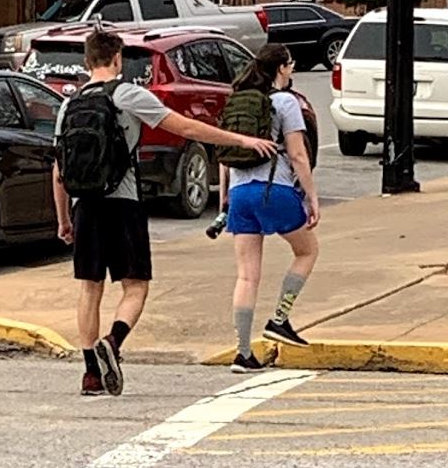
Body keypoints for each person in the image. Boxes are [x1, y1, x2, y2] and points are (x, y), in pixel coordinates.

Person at [53, 30, 277, 397]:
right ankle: (114, 339)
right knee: (135, 284)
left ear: (87, 62)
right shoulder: (127, 94)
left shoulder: (69, 105)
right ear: (117, 59)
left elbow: (59, 169)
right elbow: (185, 127)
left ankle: (91, 373)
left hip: (85, 207)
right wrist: (241, 139)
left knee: (89, 288)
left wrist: (63, 218)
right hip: (123, 203)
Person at [218, 43, 320, 374]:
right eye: (290, 65)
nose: (291, 70)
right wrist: (311, 196)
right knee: (307, 251)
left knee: (247, 275)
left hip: (239, 192)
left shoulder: (239, 99)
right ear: (281, 69)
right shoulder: (285, 102)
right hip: (272, 190)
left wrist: (225, 197)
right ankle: (279, 319)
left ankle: (243, 353)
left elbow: (226, 153)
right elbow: (298, 155)